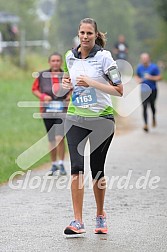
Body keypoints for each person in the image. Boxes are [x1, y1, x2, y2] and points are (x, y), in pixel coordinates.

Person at [62, 18, 123, 235]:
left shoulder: (105, 57)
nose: (85, 37)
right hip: (75, 118)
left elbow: (119, 89)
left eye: (89, 33)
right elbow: (69, 80)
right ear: (78, 34)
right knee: (76, 168)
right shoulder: (70, 56)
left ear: (96, 35)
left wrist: (92, 82)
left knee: (97, 170)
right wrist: (66, 84)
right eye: (82, 33)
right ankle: (77, 221)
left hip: (101, 121)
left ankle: (100, 214)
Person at [32, 52, 70, 175]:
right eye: (53, 61)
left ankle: (61, 164)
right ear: (49, 62)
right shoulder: (42, 75)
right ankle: (53, 164)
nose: (55, 63)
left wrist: (69, 97)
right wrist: (43, 96)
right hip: (47, 110)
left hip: (62, 110)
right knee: (51, 139)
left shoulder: (65, 75)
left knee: (60, 137)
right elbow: (34, 89)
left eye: (58, 60)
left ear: (61, 63)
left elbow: (73, 88)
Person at [136, 53, 162, 132]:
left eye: (145, 58)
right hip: (144, 90)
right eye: (143, 58)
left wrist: (151, 77)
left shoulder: (154, 67)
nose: (144, 60)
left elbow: (160, 77)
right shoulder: (139, 67)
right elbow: (137, 76)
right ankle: (145, 124)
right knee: (144, 107)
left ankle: (153, 116)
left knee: (152, 106)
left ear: (149, 59)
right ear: (141, 59)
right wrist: (138, 80)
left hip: (153, 90)